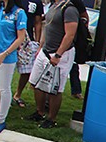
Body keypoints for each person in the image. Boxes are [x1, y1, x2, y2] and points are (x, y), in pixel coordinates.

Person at [26, 0, 79, 129]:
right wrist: (41, 45)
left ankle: (51, 118)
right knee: (35, 82)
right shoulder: (53, 6)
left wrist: (58, 54)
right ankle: (40, 111)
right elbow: (47, 27)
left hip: (61, 53)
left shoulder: (69, 9)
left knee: (55, 88)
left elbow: (70, 34)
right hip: (45, 51)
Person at [0, 0, 27, 135]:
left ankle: (0, 120)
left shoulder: (19, 13)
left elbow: (20, 38)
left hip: (6, 56)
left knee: (4, 88)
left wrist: (5, 54)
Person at [11, 0, 43, 109]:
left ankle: (17, 94)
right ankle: (2, 93)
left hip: (27, 40)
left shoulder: (36, 2)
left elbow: (38, 22)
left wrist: (37, 42)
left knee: (26, 69)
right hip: (9, 36)